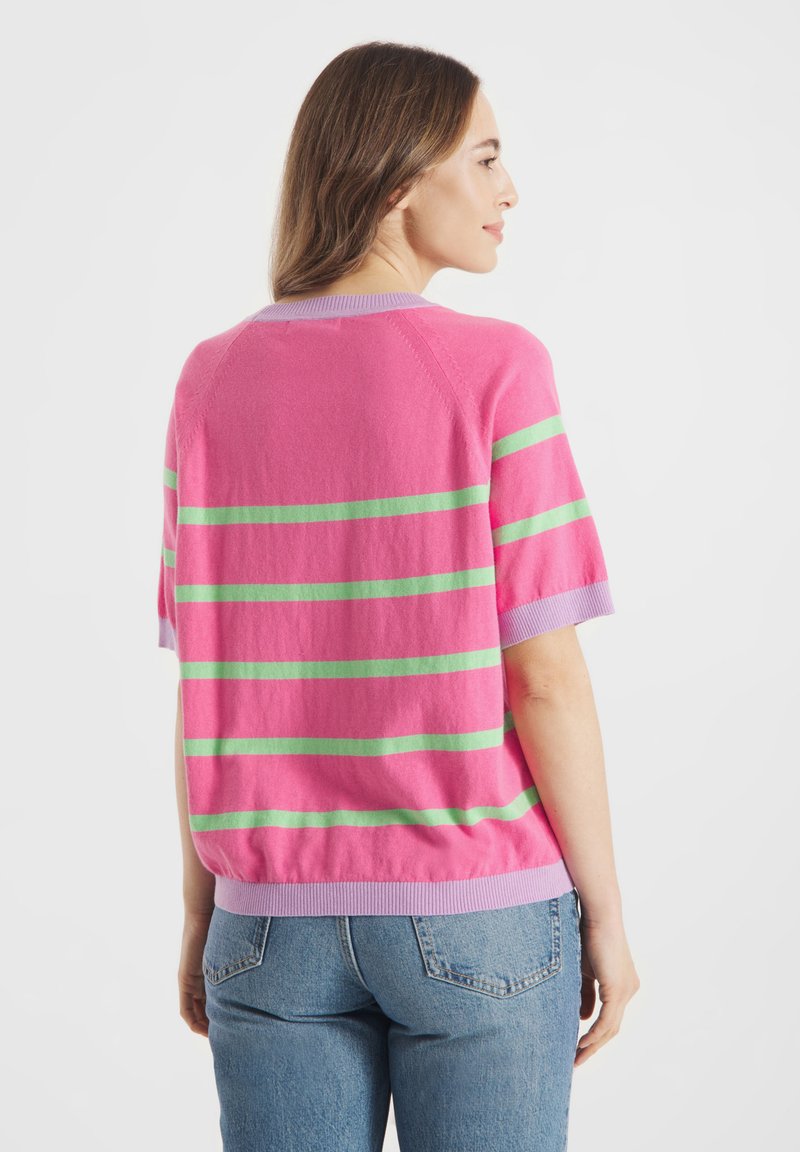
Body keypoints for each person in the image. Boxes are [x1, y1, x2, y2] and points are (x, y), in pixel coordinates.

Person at [160, 40, 640, 1152]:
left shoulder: (208, 380)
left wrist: (199, 909)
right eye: (484, 158)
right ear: (397, 178)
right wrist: (607, 915)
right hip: (479, 907)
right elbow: (544, 676)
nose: (509, 189)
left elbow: (207, 681)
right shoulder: (497, 369)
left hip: (266, 923)